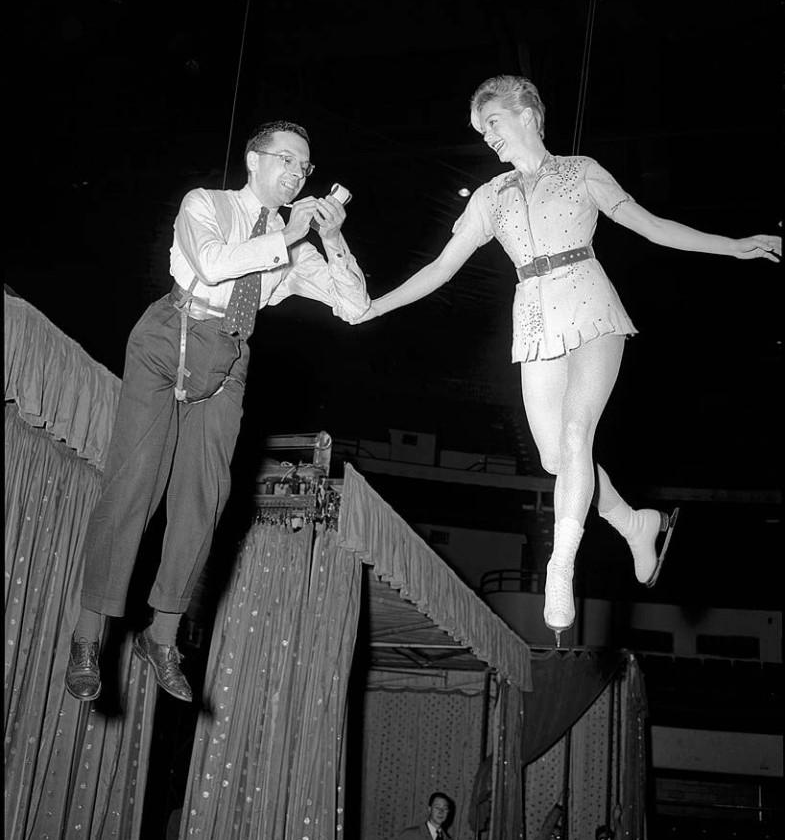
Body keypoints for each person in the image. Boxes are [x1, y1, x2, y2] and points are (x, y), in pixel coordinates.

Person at [356, 74, 781, 642]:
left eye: (494, 123)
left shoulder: (582, 171)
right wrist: (375, 306)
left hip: (590, 305)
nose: (488, 137)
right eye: (482, 131)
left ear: (528, 113)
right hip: (533, 319)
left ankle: (562, 566)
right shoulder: (491, 196)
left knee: (578, 436)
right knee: (558, 461)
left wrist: (732, 245)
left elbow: (651, 227)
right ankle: (634, 523)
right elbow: (439, 269)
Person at [65, 120, 370, 703]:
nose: (296, 176)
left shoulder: (293, 244)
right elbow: (208, 265)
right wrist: (289, 236)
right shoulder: (205, 203)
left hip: (229, 356)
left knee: (204, 498)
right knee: (135, 484)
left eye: (304, 169)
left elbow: (354, 307)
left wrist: (331, 240)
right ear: (254, 160)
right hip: (170, 335)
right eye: (286, 161)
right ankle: (87, 636)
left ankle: (162, 636)